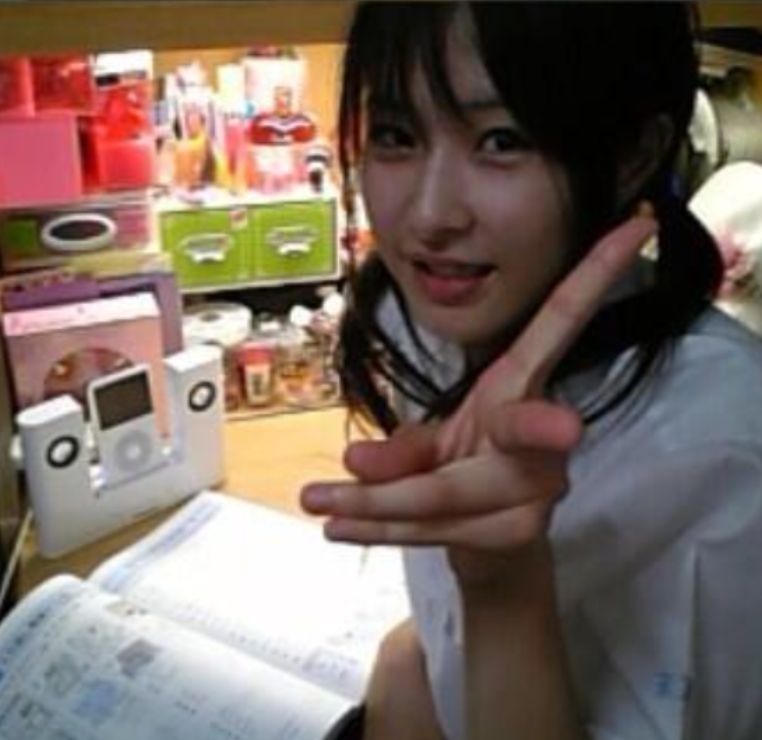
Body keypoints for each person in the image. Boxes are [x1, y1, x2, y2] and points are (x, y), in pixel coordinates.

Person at [299, 3, 762, 739]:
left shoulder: (724, 443)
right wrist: (415, 660)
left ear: (632, 156)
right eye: (395, 135)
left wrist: (504, 590)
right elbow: (429, 639)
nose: (430, 216)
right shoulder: (428, 317)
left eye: (502, 140)